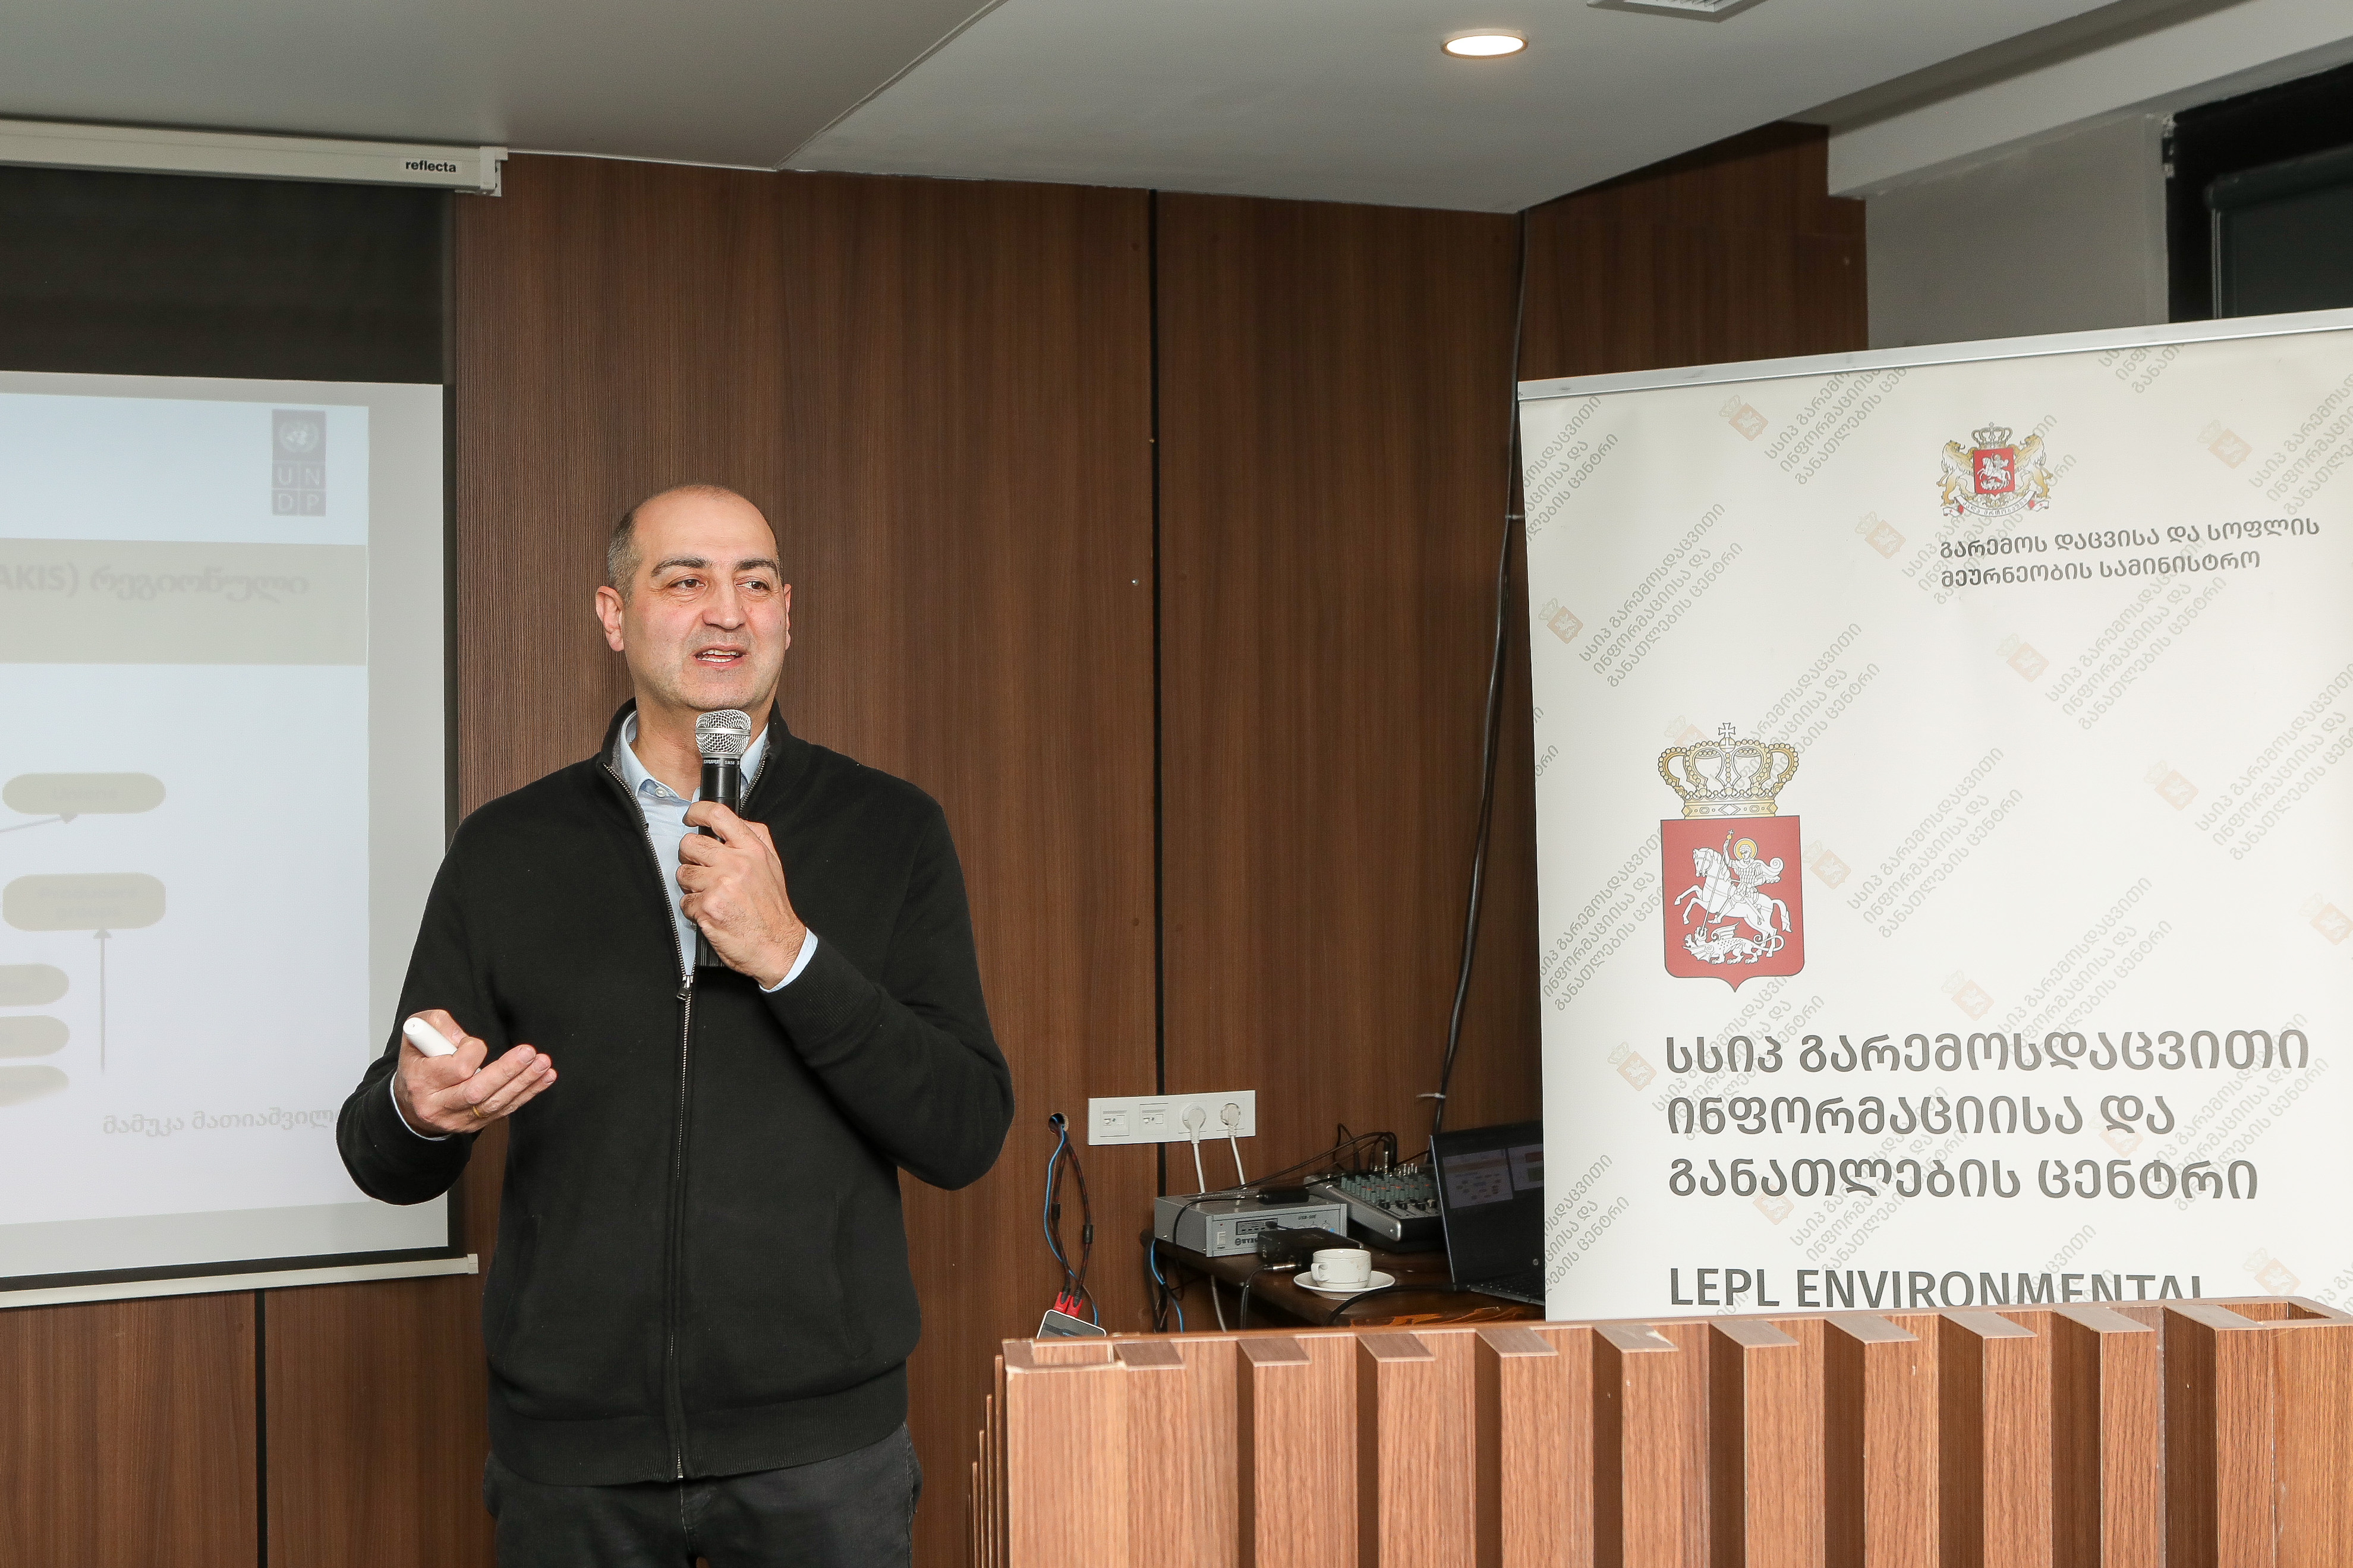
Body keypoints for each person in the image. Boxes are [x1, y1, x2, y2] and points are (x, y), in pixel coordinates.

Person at [336, 483, 1013, 1567]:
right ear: (614, 615)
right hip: (573, 1461)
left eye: (756, 583)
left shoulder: (891, 830)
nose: (727, 611)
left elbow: (966, 1129)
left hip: (821, 1459)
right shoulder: (508, 848)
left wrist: (790, 956)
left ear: (788, 613)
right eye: (685, 580)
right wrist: (419, 1111)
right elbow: (382, 1150)